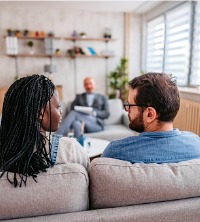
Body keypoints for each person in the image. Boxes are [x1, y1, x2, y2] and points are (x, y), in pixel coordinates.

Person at [0, 74, 89, 187]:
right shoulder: (69, 150)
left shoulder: (4, 152)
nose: (61, 112)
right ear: (40, 113)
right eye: (58, 107)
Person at [102, 72, 200, 163]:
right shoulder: (196, 144)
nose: (127, 109)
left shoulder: (114, 152)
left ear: (150, 114)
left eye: (130, 105)